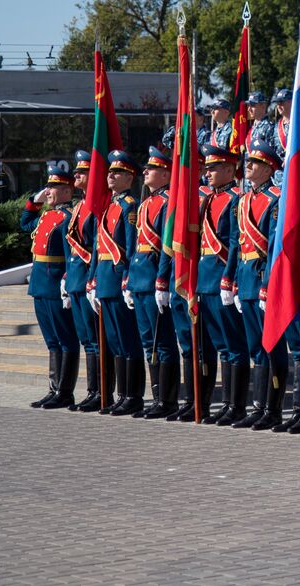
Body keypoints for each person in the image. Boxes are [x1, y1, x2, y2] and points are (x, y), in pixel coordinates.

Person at [20, 167, 79, 409]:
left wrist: (67, 280)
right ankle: (54, 388)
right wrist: (35, 201)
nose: (49, 191)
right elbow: (25, 224)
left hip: (56, 284)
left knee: (66, 339)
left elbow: (70, 253)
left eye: (54, 188)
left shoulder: (68, 218)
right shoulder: (45, 216)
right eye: (49, 186)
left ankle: (65, 391)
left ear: (67, 191)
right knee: (52, 341)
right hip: (40, 285)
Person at [232, 148, 282, 429]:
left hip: (263, 277)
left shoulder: (275, 200)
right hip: (246, 278)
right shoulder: (244, 201)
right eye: (248, 162)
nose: (248, 166)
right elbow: (239, 244)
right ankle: (259, 406)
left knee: (270, 346)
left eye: (255, 163)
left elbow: (273, 245)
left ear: (268, 168)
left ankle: (272, 409)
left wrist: (266, 284)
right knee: (255, 347)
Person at [91, 150, 144, 415]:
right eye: (110, 172)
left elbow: (132, 247)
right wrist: (94, 281)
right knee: (114, 340)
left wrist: (127, 279)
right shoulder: (110, 206)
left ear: (129, 177)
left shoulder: (129, 206)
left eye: (117, 172)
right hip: (104, 279)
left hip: (118, 277)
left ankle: (133, 395)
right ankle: (121, 394)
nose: (110, 176)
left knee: (128, 339)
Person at [197, 145, 247, 424]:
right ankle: (225, 403)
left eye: (214, 168)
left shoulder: (234, 199)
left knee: (232, 345)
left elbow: (233, 243)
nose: (208, 173)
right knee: (217, 344)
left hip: (221, 279)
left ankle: (235, 405)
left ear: (229, 170)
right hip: (206, 279)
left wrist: (228, 278)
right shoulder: (207, 200)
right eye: (207, 168)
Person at [129, 147, 177, 420]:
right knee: (149, 341)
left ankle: (167, 400)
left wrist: (162, 279)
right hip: (140, 278)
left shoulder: (168, 202)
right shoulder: (146, 202)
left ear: (166, 173)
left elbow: (167, 246)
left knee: (163, 342)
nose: (145, 172)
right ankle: (157, 396)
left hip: (154, 278)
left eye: (152, 168)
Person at [63, 152, 104, 411]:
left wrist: (93, 279)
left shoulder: (95, 207)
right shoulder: (78, 207)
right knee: (86, 339)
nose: (76, 175)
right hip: (77, 280)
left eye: (82, 172)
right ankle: (92, 391)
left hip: (90, 279)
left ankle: (101, 392)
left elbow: (98, 246)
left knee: (96, 341)